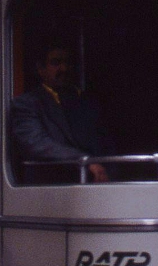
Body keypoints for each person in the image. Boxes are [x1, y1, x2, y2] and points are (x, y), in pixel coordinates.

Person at [11, 38, 115, 183]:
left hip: (96, 186)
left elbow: (105, 144)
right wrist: (85, 160)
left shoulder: (86, 101)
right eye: (56, 63)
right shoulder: (26, 104)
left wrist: (109, 174)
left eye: (67, 63)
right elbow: (37, 144)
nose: (64, 69)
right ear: (41, 69)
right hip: (52, 189)